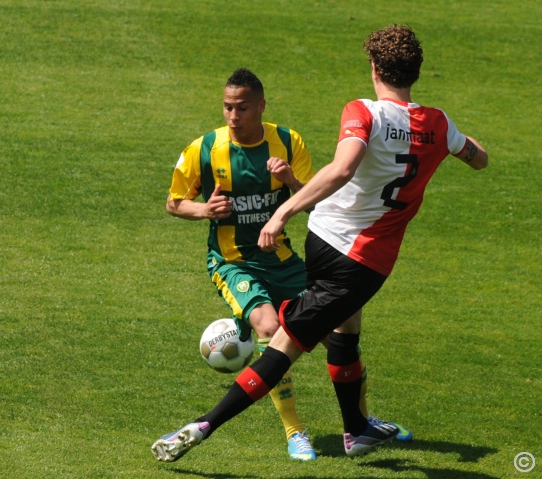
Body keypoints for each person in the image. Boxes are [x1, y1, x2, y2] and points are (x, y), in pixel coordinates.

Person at [151, 25, 487, 462]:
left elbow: (346, 166)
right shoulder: (439, 124)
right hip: (361, 259)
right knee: (284, 344)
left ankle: (358, 430)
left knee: (346, 333)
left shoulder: (363, 112)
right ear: (416, 73)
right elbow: (477, 159)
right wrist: (282, 211)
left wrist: (288, 207)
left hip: (325, 239)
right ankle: (205, 425)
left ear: (373, 68)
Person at [155, 68, 410, 462]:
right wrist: (204, 209)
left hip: (284, 259)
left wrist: (291, 179)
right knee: (270, 327)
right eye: (227, 107)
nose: (232, 116)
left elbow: (318, 199)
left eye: (241, 107)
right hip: (233, 262)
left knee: (339, 336)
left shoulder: (288, 142)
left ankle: (360, 423)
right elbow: (174, 202)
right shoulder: (203, 149)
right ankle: (295, 432)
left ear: (260, 106)